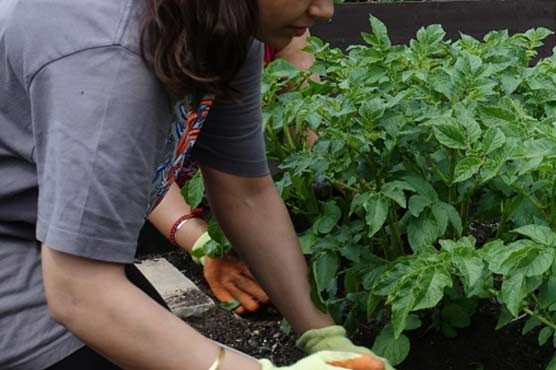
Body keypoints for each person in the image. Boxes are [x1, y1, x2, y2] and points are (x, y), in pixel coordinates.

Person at [0, 0, 387, 369]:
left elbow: (245, 192)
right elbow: (79, 293)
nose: (326, 10)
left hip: (39, 232)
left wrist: (325, 337)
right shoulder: (112, 58)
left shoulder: (225, 24)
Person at [147, 31, 317, 316]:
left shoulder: (287, 30)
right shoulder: (162, 31)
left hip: (230, 194)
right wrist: (203, 244)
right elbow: (139, 172)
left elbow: (311, 132)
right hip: (150, 207)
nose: (323, 10)